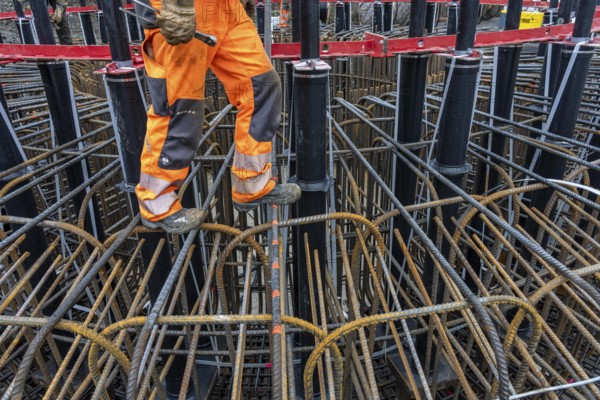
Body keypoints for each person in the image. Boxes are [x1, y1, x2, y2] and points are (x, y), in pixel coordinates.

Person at [135, 0, 300, 234]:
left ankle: (251, 182)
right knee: (180, 106)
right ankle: (156, 201)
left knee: (262, 87)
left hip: (228, 8)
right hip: (180, 8)